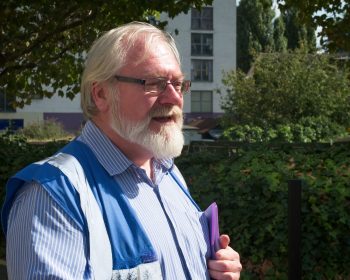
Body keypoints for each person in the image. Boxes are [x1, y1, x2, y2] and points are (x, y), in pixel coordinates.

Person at [2, 21, 242, 279]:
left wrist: (215, 268)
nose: (173, 98)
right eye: (154, 83)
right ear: (101, 94)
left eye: (178, 84)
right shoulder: (53, 196)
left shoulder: (167, 172)